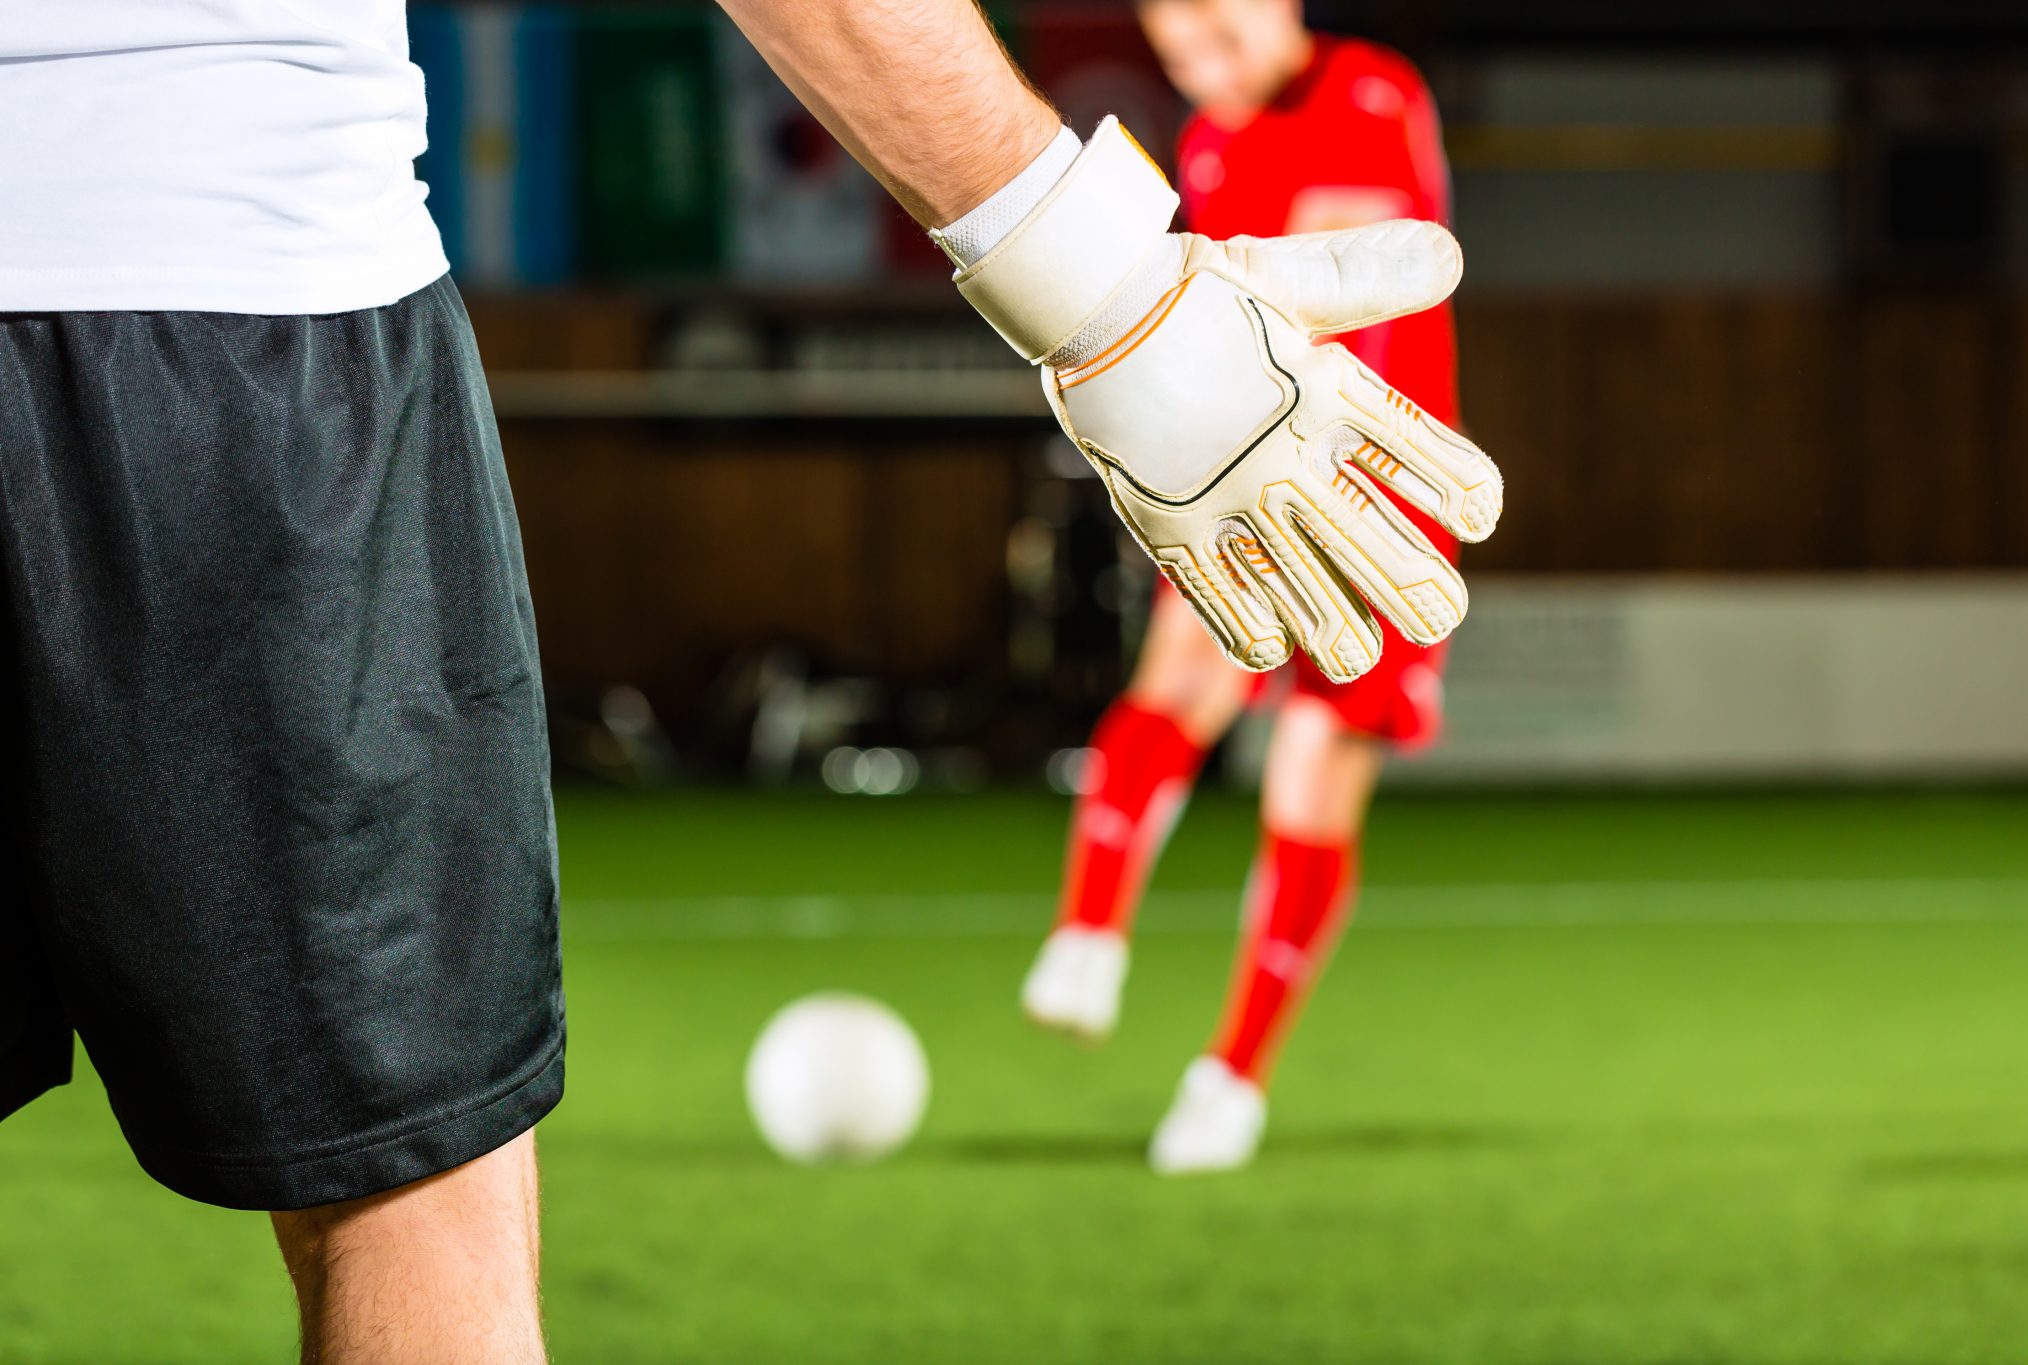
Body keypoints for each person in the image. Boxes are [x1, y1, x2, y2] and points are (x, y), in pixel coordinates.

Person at [0, 0, 1493, 1357]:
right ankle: (1116, 957)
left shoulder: (1356, 94)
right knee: (408, 1206)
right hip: (227, 298)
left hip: (209, 282)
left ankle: (1183, 1020)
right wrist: (1103, 293)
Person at [1021, 0, 1468, 1175]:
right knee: (1174, 680)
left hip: (1369, 486)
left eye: (1219, 37)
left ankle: (1231, 1077)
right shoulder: (1209, 144)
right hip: (1239, 478)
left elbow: (1336, 261)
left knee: (1313, 780)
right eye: (1178, 55)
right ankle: (1088, 928)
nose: (1202, 70)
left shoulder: (1365, 92)